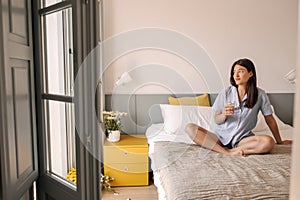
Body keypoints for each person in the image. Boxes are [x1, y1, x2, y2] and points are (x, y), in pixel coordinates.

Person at [185, 58, 292, 156]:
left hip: (242, 140)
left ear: (250, 73)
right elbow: (216, 119)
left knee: (268, 142)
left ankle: (232, 150)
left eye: (240, 71)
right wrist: (223, 115)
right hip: (219, 138)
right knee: (190, 128)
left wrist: (279, 141)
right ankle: (226, 152)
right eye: (234, 72)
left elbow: (270, 120)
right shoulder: (225, 93)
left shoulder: (260, 95)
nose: (236, 75)